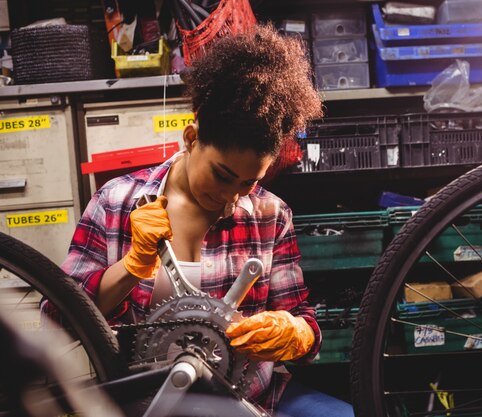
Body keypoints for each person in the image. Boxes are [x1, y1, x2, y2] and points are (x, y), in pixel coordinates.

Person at [58, 24, 354, 417]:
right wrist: (131, 268)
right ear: (192, 137)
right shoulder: (116, 201)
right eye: (221, 175)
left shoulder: (271, 215)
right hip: (147, 406)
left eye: (249, 182)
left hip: (248, 401)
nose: (231, 198)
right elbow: (59, 318)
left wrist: (295, 334)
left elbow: (304, 325)